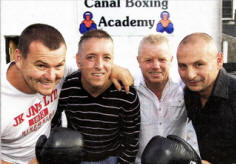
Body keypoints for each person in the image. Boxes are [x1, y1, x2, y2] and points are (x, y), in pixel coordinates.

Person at [1, 23, 134, 164]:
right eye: (41, 65)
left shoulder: (62, 73)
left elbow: (90, 67)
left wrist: (114, 68)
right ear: (19, 58)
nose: (51, 77)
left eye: (58, 65)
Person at [51, 29, 141, 164]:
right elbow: (54, 118)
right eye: (91, 57)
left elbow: (131, 139)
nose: (99, 65)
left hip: (113, 159)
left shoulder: (126, 93)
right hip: (76, 159)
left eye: (106, 57)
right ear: (78, 60)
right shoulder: (68, 86)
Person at [134, 34, 199, 164]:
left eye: (162, 60)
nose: (156, 66)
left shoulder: (185, 89)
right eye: (148, 60)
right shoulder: (129, 91)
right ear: (139, 61)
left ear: (171, 60)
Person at [177, 32, 236, 164]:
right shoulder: (190, 93)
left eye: (199, 64)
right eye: (183, 66)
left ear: (219, 61)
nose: (190, 75)